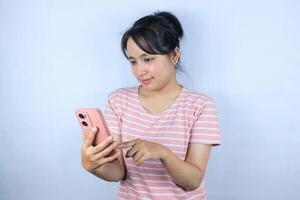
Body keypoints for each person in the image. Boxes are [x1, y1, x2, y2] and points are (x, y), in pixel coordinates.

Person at [80, 11, 221, 200]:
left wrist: (163, 153)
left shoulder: (200, 106)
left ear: (174, 56)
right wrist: (93, 165)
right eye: (133, 61)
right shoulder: (118, 101)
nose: (140, 71)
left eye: (148, 59)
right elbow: (117, 172)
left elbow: (193, 180)